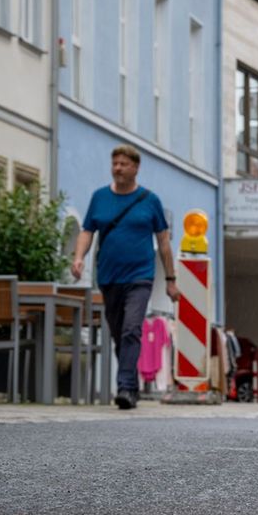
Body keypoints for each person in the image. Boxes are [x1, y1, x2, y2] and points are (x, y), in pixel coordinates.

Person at [71, 145, 181, 410]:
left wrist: (170, 279)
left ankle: (124, 388)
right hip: (109, 277)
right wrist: (79, 257)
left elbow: (163, 242)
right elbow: (87, 231)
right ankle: (130, 384)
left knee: (132, 329)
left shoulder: (149, 200)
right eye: (115, 163)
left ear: (135, 168)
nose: (118, 168)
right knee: (120, 334)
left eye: (123, 164)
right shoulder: (99, 198)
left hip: (140, 277)